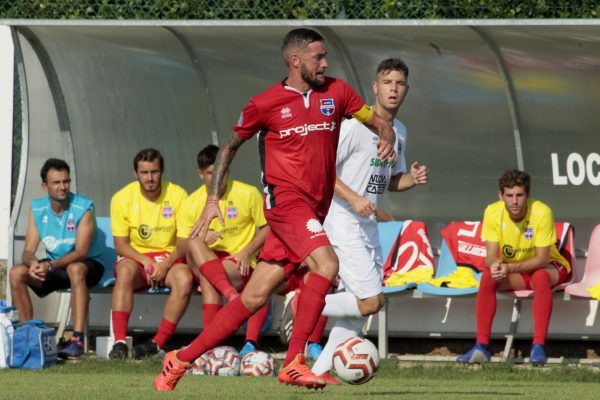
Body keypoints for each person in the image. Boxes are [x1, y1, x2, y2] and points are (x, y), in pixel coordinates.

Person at [153, 27, 396, 391]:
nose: (326, 62)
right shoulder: (265, 103)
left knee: (253, 297)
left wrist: (387, 140)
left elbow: (379, 123)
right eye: (318, 57)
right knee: (327, 266)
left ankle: (180, 359)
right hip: (285, 203)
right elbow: (229, 147)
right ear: (295, 60)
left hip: (314, 210)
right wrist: (214, 200)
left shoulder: (337, 92)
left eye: (325, 56)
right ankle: (295, 361)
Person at [309, 58, 428, 381]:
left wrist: (411, 180)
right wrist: (354, 198)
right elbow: (323, 174)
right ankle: (304, 303)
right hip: (342, 221)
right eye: (387, 82)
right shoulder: (352, 126)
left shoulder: (398, 131)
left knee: (359, 314)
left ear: (406, 90)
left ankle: (318, 373)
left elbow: (390, 181)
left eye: (399, 83)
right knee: (371, 300)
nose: (393, 88)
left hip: (368, 225)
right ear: (375, 87)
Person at [457, 169, 571, 365]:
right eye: (509, 196)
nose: (514, 201)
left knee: (540, 277)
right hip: (517, 270)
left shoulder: (542, 212)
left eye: (519, 195)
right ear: (500, 196)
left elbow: (542, 260)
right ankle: (481, 347)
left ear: (528, 195)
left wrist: (509, 269)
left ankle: (538, 347)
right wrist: (495, 266)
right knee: (487, 276)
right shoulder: (492, 211)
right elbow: (491, 256)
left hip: (550, 266)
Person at [178, 144, 270, 357]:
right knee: (194, 243)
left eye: (223, 171)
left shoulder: (247, 193)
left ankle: (210, 349)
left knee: (209, 281)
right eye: (211, 173)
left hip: (238, 263)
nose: (217, 177)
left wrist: (247, 251)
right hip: (207, 263)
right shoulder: (191, 203)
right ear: (201, 174)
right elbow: (182, 247)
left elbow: (268, 227)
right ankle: (230, 296)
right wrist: (202, 235)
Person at [9, 158, 104, 359]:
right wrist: (34, 263)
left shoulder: (84, 207)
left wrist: (49, 265)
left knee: (76, 268)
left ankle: (77, 340)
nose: (63, 187)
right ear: (45, 186)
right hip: (57, 268)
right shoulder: (37, 208)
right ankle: (27, 337)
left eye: (66, 181)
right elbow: (28, 250)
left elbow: (81, 252)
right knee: (17, 273)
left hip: (89, 267)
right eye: (56, 182)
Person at [108, 148, 193, 359]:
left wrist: (164, 264)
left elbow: (184, 242)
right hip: (137, 260)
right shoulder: (122, 198)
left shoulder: (178, 194)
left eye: (154, 172)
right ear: (135, 173)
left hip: (169, 259)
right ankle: (119, 342)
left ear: (162, 171)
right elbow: (120, 245)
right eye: (144, 173)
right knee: (125, 272)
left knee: (185, 278)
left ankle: (157, 344)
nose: (149, 178)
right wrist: (145, 260)